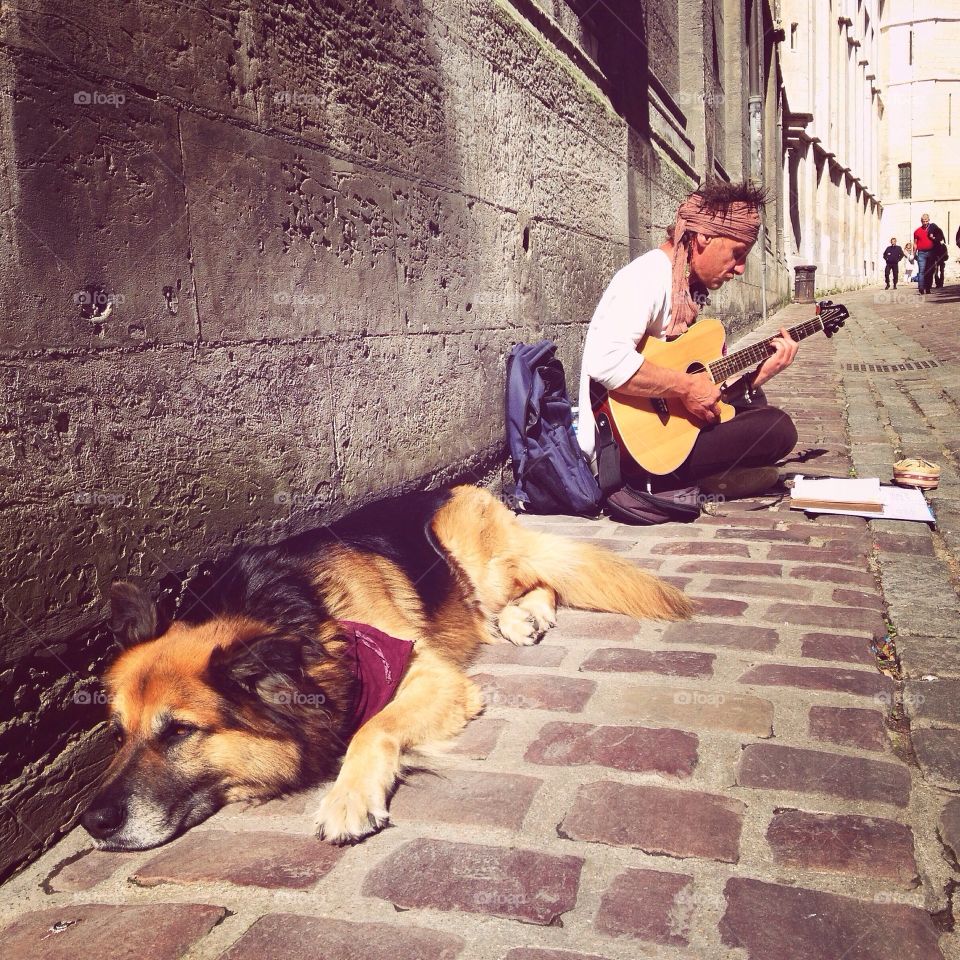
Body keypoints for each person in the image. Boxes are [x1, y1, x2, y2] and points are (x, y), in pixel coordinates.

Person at [576, 180, 798, 515]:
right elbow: (606, 362)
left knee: (758, 410)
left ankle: (707, 477)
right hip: (621, 451)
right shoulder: (647, 276)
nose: (739, 270)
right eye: (737, 254)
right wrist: (686, 386)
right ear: (704, 237)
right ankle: (704, 479)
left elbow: (706, 397)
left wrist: (756, 379)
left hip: (662, 438)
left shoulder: (685, 291)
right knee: (776, 428)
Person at [914, 213, 935, 294]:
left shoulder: (933, 229)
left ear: (929, 220)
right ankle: (921, 288)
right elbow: (915, 243)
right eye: (923, 221)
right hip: (921, 253)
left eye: (926, 221)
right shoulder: (917, 231)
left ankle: (928, 288)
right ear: (921, 221)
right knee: (921, 271)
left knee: (930, 271)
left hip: (931, 252)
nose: (925, 223)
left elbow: (937, 240)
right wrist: (913, 253)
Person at [927, 219, 947, 289]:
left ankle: (940, 283)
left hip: (940, 259)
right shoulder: (939, 242)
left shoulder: (940, 243)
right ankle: (939, 283)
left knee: (939, 271)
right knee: (937, 271)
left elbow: (945, 252)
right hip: (937, 259)